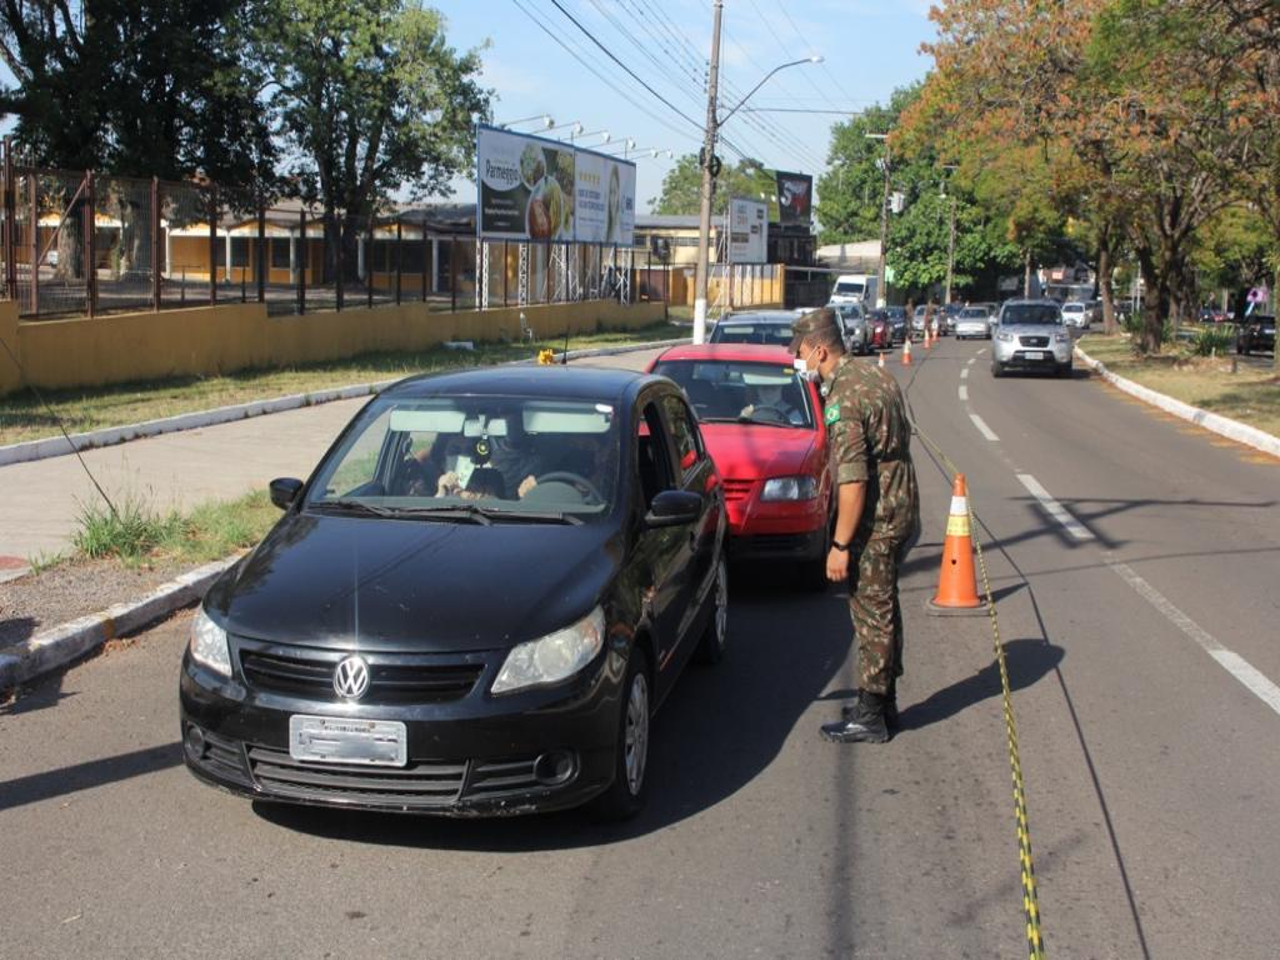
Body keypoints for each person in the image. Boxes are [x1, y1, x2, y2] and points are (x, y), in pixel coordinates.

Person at [791, 307, 921, 743]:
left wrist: (841, 545)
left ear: (821, 349)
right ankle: (884, 703)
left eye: (802, 352)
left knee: (871, 612)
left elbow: (853, 482)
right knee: (886, 606)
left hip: (877, 518)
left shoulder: (845, 398)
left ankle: (870, 714)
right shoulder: (874, 377)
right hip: (902, 504)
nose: (799, 360)